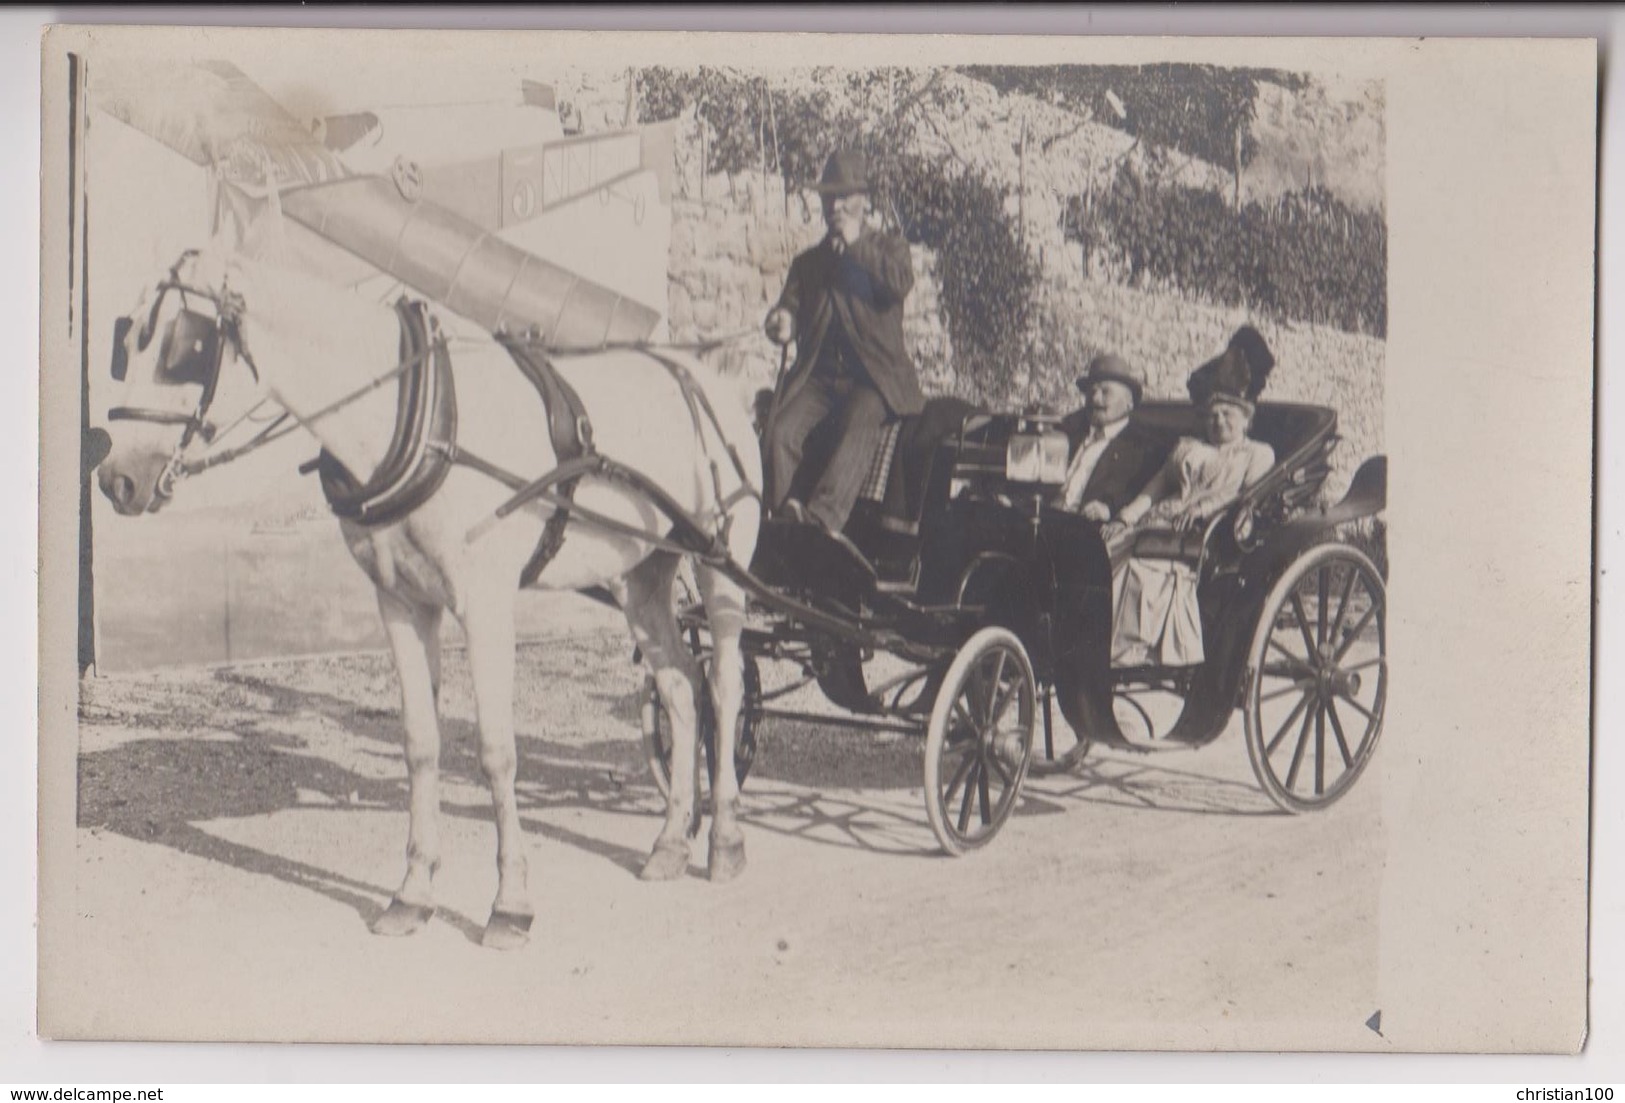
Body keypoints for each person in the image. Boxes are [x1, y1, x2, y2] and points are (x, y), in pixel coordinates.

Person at [762, 150, 926, 539]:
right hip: (818, 381)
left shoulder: (889, 249)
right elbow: (789, 305)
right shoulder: (808, 263)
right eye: (828, 199)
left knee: (858, 422)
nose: (835, 206)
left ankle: (821, 523)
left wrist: (855, 245)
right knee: (780, 430)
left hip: (872, 380)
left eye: (844, 198)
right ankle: (785, 522)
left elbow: (898, 283)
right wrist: (781, 320)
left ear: (863, 201)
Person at [1101, 381, 1275, 668]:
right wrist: (1125, 518)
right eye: (1212, 416)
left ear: (1246, 419)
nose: (1218, 421)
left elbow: (1247, 495)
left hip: (1209, 530)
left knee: (1138, 570)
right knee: (1106, 553)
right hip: (1161, 521)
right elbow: (1156, 486)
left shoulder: (1257, 453)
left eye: (1227, 414)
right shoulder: (1189, 447)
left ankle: (1131, 647)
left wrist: (1202, 508)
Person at [1056, 353, 1164, 522]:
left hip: (1088, 529)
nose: (1095, 398)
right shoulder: (1069, 434)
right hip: (1046, 518)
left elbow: (1147, 490)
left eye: (1106, 392)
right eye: (1091, 392)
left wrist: (1110, 508)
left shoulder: (1142, 447)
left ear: (1129, 403)